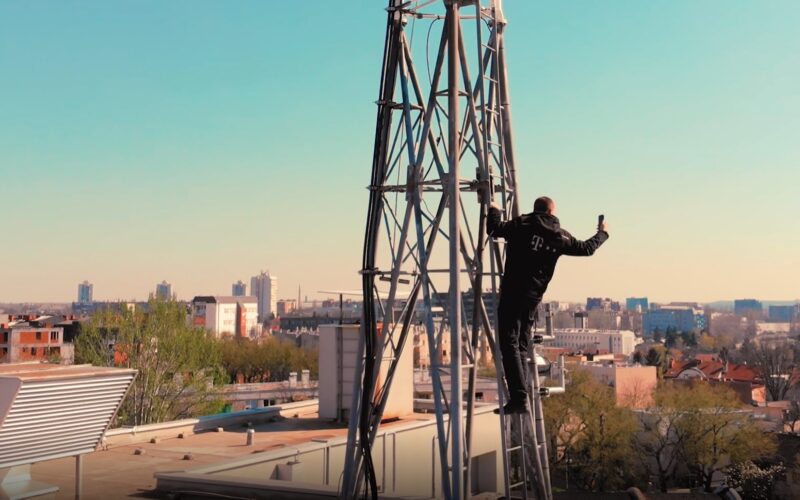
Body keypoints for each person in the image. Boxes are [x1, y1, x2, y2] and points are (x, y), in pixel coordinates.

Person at [487, 196, 609, 414]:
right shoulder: (559, 236)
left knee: (509, 343)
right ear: (551, 212)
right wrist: (603, 233)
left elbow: (494, 229)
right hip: (532, 297)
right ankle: (520, 396)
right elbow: (587, 248)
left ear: (536, 210)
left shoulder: (521, 224)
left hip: (513, 292)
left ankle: (519, 397)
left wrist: (494, 208)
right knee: (520, 344)